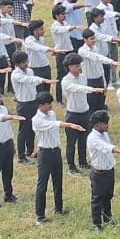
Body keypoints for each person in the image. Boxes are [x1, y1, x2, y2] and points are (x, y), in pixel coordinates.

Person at [32, 91, 83, 224]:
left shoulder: (52, 114)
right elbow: (53, 125)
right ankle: (40, 215)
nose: (50, 106)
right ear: (41, 105)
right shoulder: (37, 120)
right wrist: (70, 125)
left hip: (55, 151)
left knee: (58, 182)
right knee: (42, 184)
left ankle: (59, 208)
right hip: (45, 153)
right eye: (48, 104)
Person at [60, 53, 104, 175]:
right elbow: (77, 88)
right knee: (71, 142)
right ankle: (71, 166)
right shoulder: (66, 81)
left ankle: (83, 161)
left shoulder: (83, 77)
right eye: (76, 66)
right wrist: (92, 89)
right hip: (73, 114)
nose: (79, 68)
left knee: (83, 139)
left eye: (79, 65)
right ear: (69, 67)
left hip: (85, 112)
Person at [11, 51, 57, 165]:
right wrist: (43, 80)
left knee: (32, 128)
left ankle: (30, 151)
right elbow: (29, 80)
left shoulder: (30, 71)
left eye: (26, 61)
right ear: (17, 64)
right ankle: (21, 156)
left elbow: (33, 84)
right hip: (24, 104)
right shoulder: (16, 74)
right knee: (24, 130)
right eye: (23, 62)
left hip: (33, 102)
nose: (26, 63)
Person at [86, 110, 120, 231]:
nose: (108, 125)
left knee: (108, 196)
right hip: (99, 174)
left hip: (109, 171)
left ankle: (107, 218)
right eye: (105, 123)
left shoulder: (104, 133)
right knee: (97, 198)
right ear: (97, 125)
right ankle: (96, 224)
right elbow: (106, 147)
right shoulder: (93, 138)